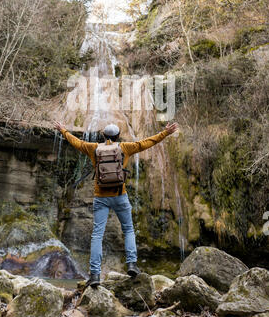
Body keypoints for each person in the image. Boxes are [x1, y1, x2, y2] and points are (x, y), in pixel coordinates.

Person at [54, 120, 179, 287]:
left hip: (101, 197)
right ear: (118, 136)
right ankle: (132, 264)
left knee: (97, 235)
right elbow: (148, 142)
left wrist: (63, 130)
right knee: (128, 229)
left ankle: (95, 274)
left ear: (104, 136)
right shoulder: (125, 147)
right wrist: (165, 133)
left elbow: (76, 142)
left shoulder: (94, 148)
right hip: (120, 195)